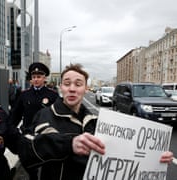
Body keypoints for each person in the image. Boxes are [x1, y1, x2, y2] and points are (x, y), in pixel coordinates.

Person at [17, 63, 174, 180]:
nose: (72, 88)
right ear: (61, 88)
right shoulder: (44, 116)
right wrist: (69, 144)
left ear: (86, 89)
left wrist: (154, 159)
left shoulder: (97, 121)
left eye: (78, 84)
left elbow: (122, 155)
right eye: (67, 83)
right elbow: (27, 152)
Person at [10, 62, 59, 180]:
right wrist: (11, 131)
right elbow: (15, 115)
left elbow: (58, 116)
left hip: (46, 136)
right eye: (34, 77)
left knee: (47, 167)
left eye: (39, 77)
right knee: (30, 167)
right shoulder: (24, 95)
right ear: (31, 79)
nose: (36, 79)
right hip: (29, 136)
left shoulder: (52, 95)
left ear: (44, 78)